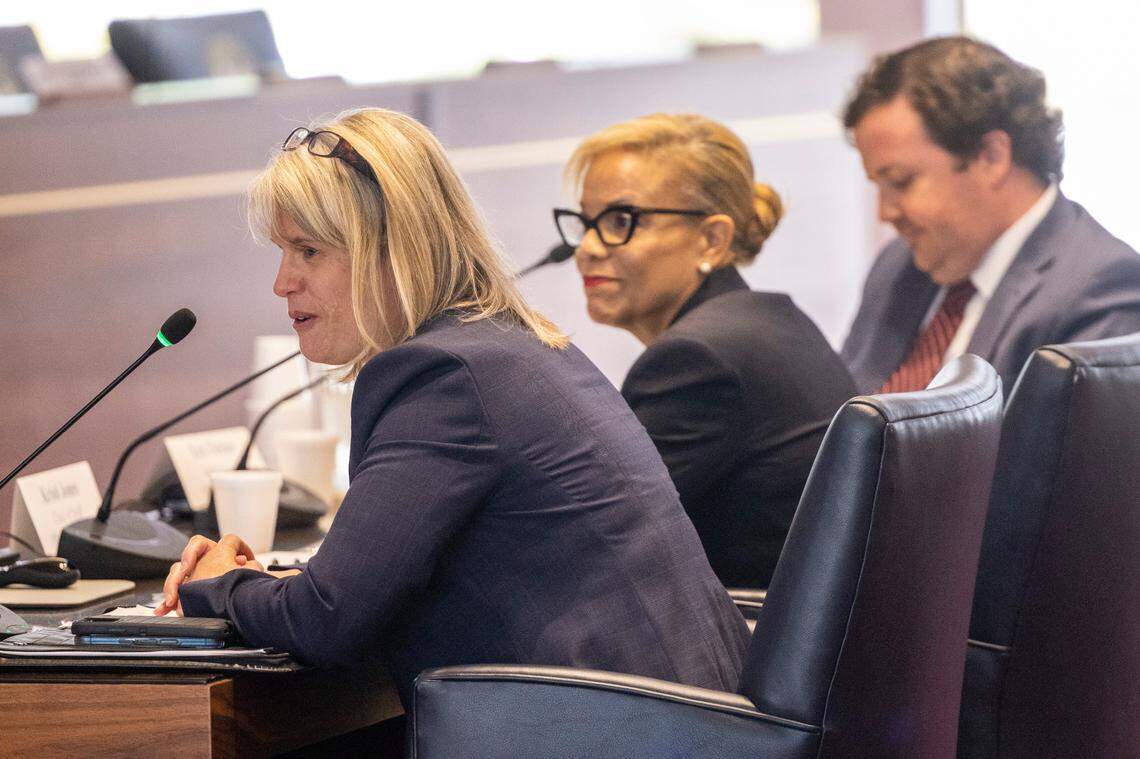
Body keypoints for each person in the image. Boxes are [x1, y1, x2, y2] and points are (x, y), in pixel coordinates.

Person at [155, 108, 749, 706]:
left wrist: (219, 584)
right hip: (688, 724)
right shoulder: (515, 345)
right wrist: (273, 585)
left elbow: (324, 622)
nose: (283, 282)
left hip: (611, 733)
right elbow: (384, 582)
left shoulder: (441, 377)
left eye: (309, 251)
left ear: (395, 251)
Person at [556, 114, 856, 589]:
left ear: (712, 239)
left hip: (746, 653)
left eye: (620, 221)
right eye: (586, 222)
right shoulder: (768, 322)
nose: (587, 249)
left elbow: (583, 545)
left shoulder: (696, 362)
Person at [841, 36, 1140, 394]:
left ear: (991, 156)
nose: (884, 212)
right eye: (877, 184)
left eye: (900, 181)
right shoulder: (895, 268)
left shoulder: (1100, 287)